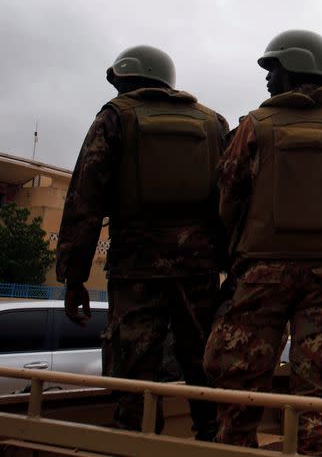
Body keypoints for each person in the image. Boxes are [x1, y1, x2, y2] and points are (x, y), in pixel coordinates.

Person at [203, 30, 322, 455]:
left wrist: (244, 245)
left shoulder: (255, 124)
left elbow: (228, 197)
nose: (268, 79)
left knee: (240, 390)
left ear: (297, 69)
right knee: (315, 398)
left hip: (261, 273)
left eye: (274, 69)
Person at [56, 45, 229, 440]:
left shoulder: (115, 117)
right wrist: (226, 261)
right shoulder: (213, 123)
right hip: (199, 271)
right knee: (204, 370)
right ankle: (212, 444)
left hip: (135, 269)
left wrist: (73, 276)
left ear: (128, 79)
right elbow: (231, 198)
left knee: (135, 379)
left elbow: (84, 200)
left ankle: (138, 446)